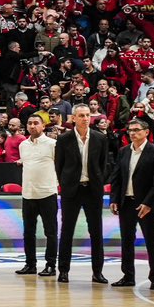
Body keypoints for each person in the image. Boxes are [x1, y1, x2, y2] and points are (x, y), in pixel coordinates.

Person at [55, 104, 113, 284]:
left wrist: (98, 181)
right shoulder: (64, 139)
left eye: (87, 115)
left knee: (96, 232)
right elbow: (59, 165)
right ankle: (63, 271)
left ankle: (98, 272)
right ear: (73, 118)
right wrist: (66, 183)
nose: (85, 118)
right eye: (81, 115)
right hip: (71, 190)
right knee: (67, 231)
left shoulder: (99, 138)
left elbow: (104, 164)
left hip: (92, 190)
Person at [110, 118, 154, 290]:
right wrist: (114, 199)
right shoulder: (124, 151)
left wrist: (148, 203)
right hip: (126, 202)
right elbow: (117, 177)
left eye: (136, 130)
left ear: (146, 132)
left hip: (147, 205)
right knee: (127, 241)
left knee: (152, 241)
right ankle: (128, 276)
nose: (133, 133)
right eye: (130, 130)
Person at [15, 113, 59, 276]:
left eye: (36, 123)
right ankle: (30, 264)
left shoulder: (52, 144)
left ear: (43, 126)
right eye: (29, 123)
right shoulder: (23, 145)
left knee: (50, 232)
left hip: (47, 193)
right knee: (28, 232)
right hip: (28, 194)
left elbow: (60, 167)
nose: (32, 126)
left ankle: (51, 265)